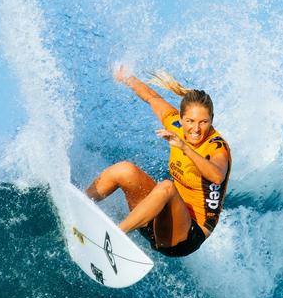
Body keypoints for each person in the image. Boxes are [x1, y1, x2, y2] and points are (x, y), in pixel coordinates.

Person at [85, 66, 231, 257]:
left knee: (167, 187)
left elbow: (217, 176)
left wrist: (184, 148)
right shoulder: (176, 125)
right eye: (190, 121)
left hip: (186, 237)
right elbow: (152, 98)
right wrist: (127, 78)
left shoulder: (217, 147)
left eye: (203, 122)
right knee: (125, 170)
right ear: (181, 118)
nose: (196, 128)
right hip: (156, 221)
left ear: (211, 120)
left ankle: (114, 236)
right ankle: (81, 203)